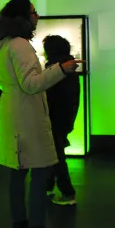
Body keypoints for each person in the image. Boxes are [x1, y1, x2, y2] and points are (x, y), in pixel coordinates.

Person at [0, 0, 82, 228]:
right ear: (22, 17)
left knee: (17, 172)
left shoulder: (1, 43)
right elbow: (31, 84)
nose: (37, 16)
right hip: (27, 116)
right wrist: (61, 70)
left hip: (12, 113)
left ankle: (20, 225)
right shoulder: (20, 44)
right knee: (40, 170)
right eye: (33, 12)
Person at [42, 35, 81, 206]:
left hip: (54, 118)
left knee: (55, 156)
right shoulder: (69, 67)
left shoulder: (56, 69)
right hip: (64, 117)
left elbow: (50, 96)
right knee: (54, 154)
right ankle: (49, 187)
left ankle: (67, 193)